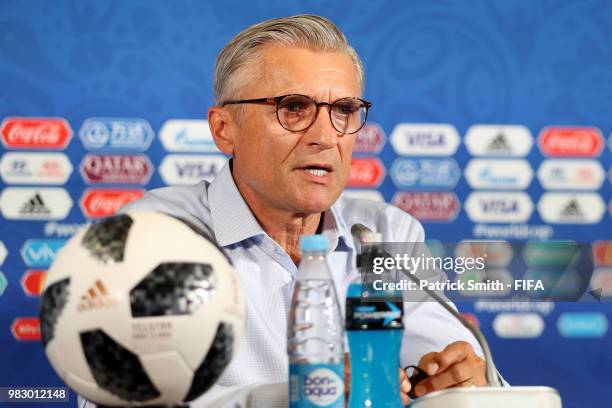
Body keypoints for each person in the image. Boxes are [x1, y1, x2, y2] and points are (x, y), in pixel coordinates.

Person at [84, 14, 494, 407]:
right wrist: (299, 397)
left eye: (343, 111)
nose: (324, 136)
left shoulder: (386, 233)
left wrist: (461, 379)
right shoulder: (151, 236)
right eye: (294, 108)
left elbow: (447, 363)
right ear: (224, 129)